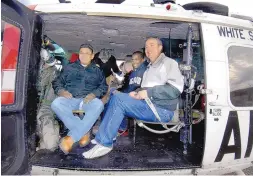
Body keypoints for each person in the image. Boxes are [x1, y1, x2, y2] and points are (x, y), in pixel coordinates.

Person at [82, 37, 184, 159]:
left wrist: (148, 93)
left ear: (160, 48)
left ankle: (105, 143)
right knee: (116, 95)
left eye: (151, 45)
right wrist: (136, 92)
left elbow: (176, 89)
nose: (148, 49)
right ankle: (106, 136)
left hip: (162, 110)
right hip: (148, 104)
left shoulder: (168, 63)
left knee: (119, 100)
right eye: (146, 47)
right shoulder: (150, 67)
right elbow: (144, 88)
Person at [51, 44, 108, 154]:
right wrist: (61, 91)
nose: (84, 55)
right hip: (70, 99)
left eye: (87, 53)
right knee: (56, 103)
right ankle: (83, 131)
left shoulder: (98, 71)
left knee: (99, 104)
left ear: (92, 56)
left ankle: (71, 138)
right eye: (81, 52)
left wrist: (94, 94)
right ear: (79, 54)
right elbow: (57, 82)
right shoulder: (69, 67)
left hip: (87, 101)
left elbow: (103, 87)